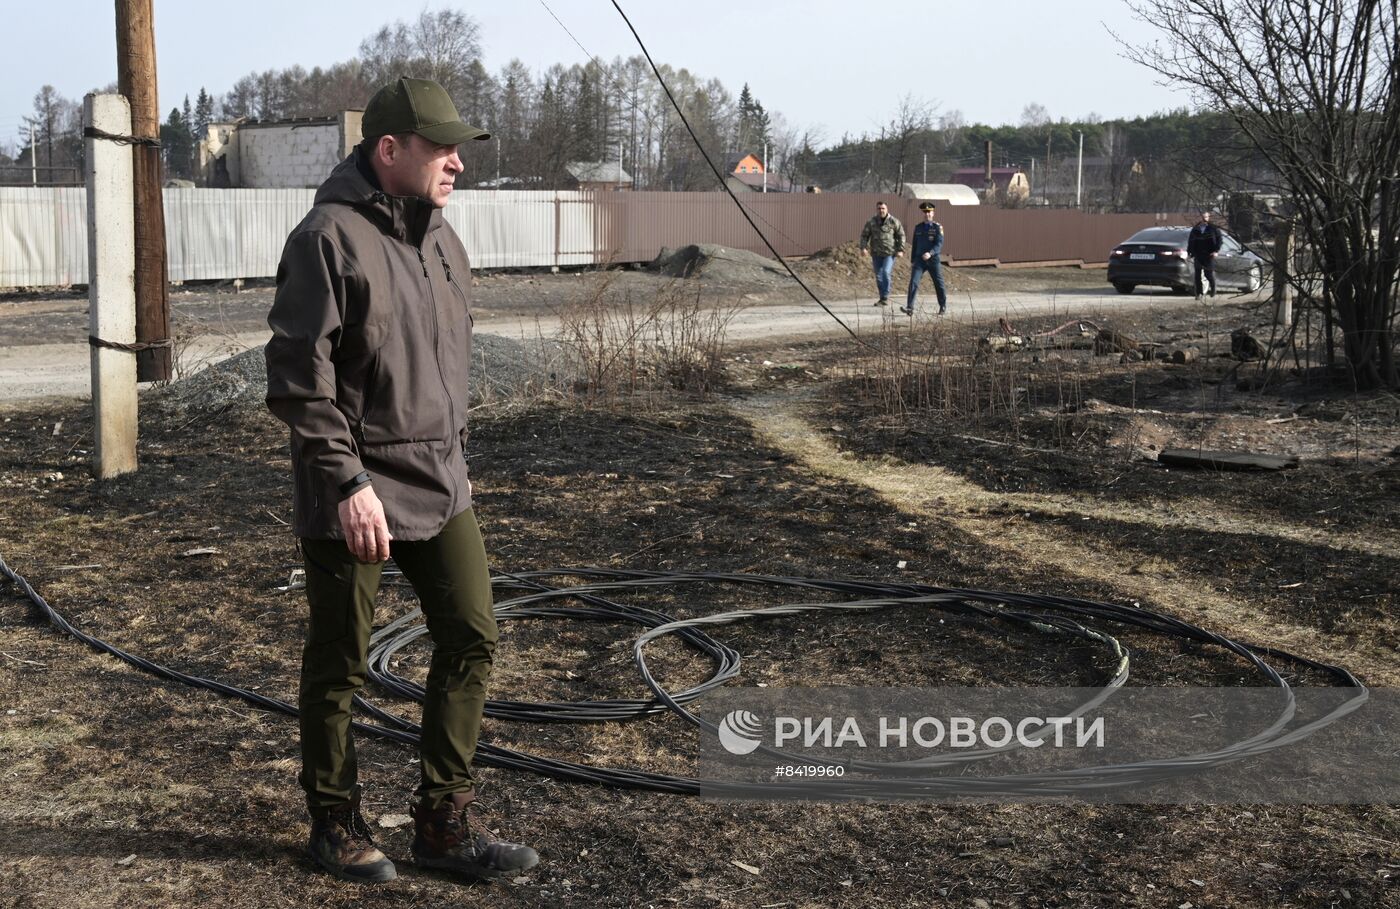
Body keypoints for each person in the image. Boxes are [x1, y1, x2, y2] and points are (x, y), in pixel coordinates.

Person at [264, 77, 539, 886]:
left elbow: (441, 369)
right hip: (354, 487)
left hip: (437, 479)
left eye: (459, 147)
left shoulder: (445, 242)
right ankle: (335, 821)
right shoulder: (327, 238)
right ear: (390, 151)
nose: (458, 161)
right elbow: (296, 377)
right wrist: (346, 481)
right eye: (441, 147)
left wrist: (456, 457)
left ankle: (443, 824)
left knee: (471, 633)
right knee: (341, 659)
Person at [858, 200, 905, 305]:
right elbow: (864, 235)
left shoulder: (894, 222)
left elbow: (901, 235)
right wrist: (863, 248)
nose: (881, 210)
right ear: (876, 209)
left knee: (885, 273)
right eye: (879, 208)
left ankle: (885, 296)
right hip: (876, 254)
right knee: (879, 276)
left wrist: (900, 249)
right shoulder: (871, 222)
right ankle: (882, 297)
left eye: (883, 208)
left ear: (887, 209)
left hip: (889, 253)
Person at [903, 201, 947, 315]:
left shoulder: (938, 227)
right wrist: (912, 260)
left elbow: (939, 244)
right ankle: (910, 307)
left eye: (929, 212)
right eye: (925, 212)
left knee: (938, 283)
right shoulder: (918, 227)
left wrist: (931, 253)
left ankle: (942, 305)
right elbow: (915, 244)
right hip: (919, 260)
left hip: (933, 260)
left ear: (933, 213)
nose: (927, 214)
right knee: (914, 282)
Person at [1187, 210, 1223, 298]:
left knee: (1208, 274)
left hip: (1209, 254)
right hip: (1198, 254)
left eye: (1206, 217)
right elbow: (1190, 241)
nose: (1204, 219)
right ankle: (1199, 293)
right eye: (1202, 217)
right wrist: (1189, 252)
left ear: (1208, 217)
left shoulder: (1213, 228)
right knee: (1197, 275)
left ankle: (1213, 287)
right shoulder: (1196, 228)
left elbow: (1219, 240)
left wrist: (1216, 251)